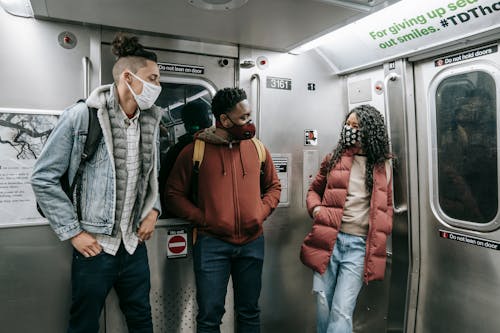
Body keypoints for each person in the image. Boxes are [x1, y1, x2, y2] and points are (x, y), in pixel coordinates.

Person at [31, 34, 163, 333]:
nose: (158, 86)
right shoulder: (82, 117)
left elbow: (152, 176)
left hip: (132, 246)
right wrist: (73, 232)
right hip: (95, 247)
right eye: (152, 78)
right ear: (128, 77)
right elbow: (42, 177)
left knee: (142, 319)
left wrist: (153, 209)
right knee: (84, 324)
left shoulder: (149, 123)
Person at [165, 87, 281, 333]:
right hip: (211, 244)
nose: (249, 123)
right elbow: (173, 194)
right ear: (224, 119)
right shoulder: (195, 151)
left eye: (249, 116)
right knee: (209, 315)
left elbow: (273, 186)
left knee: (249, 312)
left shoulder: (258, 149)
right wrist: (203, 218)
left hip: (252, 242)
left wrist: (260, 212)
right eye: (243, 118)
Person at [300, 104, 393, 333]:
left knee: (342, 309)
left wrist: (384, 226)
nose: (350, 130)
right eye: (348, 125)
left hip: (359, 247)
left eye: (356, 126)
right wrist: (316, 210)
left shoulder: (384, 165)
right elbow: (314, 190)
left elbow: (387, 205)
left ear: (370, 131)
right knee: (323, 304)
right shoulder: (334, 159)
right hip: (329, 239)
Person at [158, 100, 212, 218]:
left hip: (181, 214)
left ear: (186, 124)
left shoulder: (176, 150)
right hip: (211, 216)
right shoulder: (217, 149)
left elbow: (164, 185)